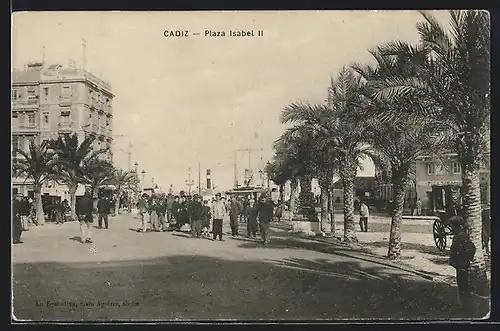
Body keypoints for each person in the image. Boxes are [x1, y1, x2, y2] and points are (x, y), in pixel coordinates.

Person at [449, 215, 476, 315]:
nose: (451, 227)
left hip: (462, 265)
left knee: (463, 285)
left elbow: (472, 248)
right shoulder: (459, 235)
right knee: (462, 285)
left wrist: (465, 259)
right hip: (460, 264)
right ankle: (465, 306)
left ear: (457, 226)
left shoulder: (460, 236)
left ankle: (467, 308)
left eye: (453, 226)